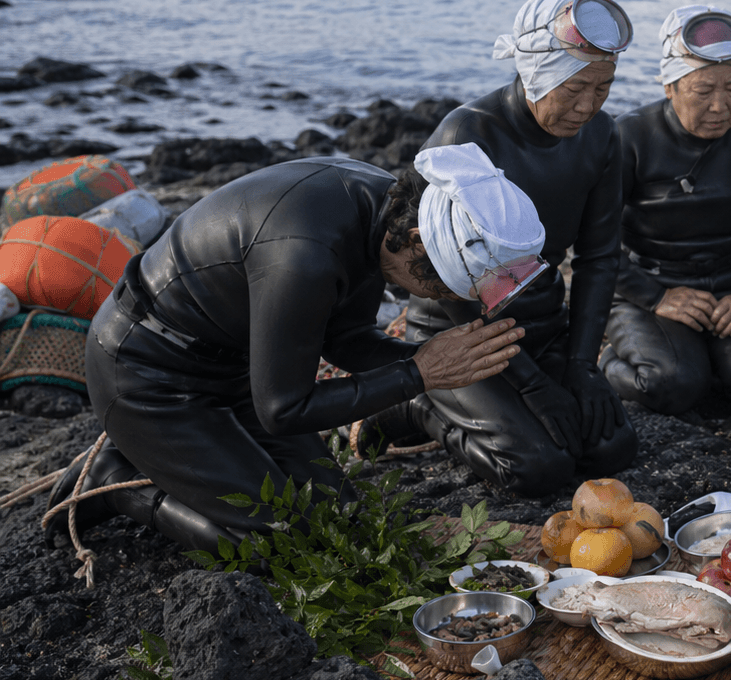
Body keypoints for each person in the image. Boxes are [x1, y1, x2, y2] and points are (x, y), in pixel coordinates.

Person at [52, 150, 535, 551]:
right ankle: (115, 478)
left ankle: (165, 455)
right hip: (146, 374)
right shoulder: (304, 255)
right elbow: (283, 410)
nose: (441, 300)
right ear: (415, 241)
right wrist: (418, 375)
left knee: (344, 520)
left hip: (237, 366)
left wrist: (435, 361)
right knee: (279, 540)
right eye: (446, 289)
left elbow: (346, 340)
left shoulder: (387, 209)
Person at [363, 0, 638, 496]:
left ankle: (519, 391)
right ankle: (417, 406)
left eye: (602, 88)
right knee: (538, 470)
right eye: (574, 88)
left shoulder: (604, 136)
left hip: (541, 322)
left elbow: (600, 258)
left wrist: (581, 366)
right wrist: (533, 386)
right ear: (536, 73)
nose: (587, 105)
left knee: (609, 450)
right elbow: (433, 270)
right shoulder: (467, 135)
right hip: (459, 326)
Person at [602, 5, 731, 414]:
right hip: (650, 285)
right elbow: (593, 239)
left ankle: (709, 358)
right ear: (669, 87)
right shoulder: (629, 135)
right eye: (703, 90)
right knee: (670, 385)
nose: (720, 106)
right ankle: (606, 364)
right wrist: (657, 297)